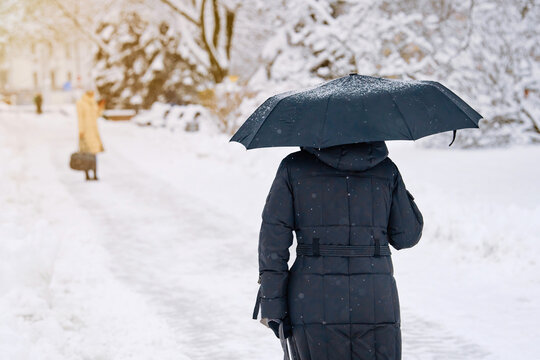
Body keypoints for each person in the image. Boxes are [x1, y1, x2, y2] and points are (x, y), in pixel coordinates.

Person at [255, 141, 423, 360]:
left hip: (312, 298)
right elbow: (407, 235)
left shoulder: (294, 168)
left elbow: (273, 240)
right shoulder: (385, 169)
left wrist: (273, 304)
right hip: (374, 298)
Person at [76, 89, 104, 181]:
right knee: (86, 154)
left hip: (94, 131)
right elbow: (80, 118)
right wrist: (81, 131)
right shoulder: (81, 103)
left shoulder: (93, 103)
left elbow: (97, 115)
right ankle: (87, 174)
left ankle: (95, 174)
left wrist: (101, 107)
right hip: (85, 131)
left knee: (94, 154)